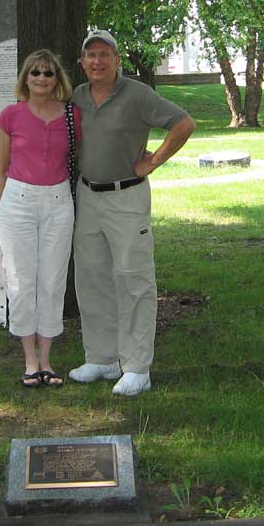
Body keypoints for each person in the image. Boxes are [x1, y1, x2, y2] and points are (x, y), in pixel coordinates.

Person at [68, 30, 196, 397]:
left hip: (127, 197)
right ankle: (102, 358)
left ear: (117, 60)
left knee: (133, 280)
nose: (97, 61)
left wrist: (153, 161)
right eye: (90, 55)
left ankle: (138, 367)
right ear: (82, 63)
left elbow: (183, 123)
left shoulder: (137, 94)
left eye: (104, 54)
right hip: (87, 196)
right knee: (92, 280)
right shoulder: (77, 97)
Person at [0, 49, 81, 388]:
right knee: (21, 281)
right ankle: (29, 359)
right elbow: (0, 171)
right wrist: (0, 218)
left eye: (48, 73)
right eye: (36, 73)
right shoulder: (10, 116)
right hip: (18, 201)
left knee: (53, 280)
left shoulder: (73, 118)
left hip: (59, 202)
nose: (42, 78)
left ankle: (47, 359)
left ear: (57, 79)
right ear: (26, 78)